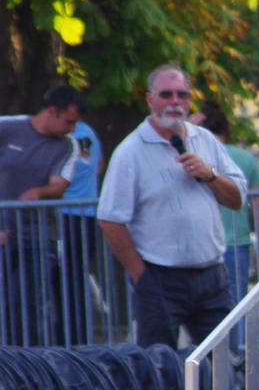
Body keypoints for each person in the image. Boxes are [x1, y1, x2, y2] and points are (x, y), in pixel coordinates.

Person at [97, 64, 248, 349]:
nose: (175, 102)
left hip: (212, 275)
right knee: (158, 369)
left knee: (223, 366)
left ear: (191, 100)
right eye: (166, 94)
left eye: (182, 95)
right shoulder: (131, 151)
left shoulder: (205, 140)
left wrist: (211, 174)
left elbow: (237, 199)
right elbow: (109, 219)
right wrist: (140, 275)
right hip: (160, 277)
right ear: (150, 99)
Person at [0, 85, 85, 344]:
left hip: (37, 238)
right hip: (3, 232)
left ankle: (31, 365)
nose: (72, 129)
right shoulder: (7, 127)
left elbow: (60, 185)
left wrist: (40, 191)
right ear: (51, 111)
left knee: (28, 305)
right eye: (69, 121)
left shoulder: (68, 145)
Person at [192, 104, 259, 341]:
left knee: (201, 310)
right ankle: (236, 364)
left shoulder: (193, 156)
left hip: (200, 244)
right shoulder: (245, 159)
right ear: (227, 127)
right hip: (236, 243)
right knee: (236, 307)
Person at [58, 119, 105, 345]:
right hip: (88, 215)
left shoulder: (61, 134)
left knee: (63, 282)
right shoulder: (90, 131)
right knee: (77, 279)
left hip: (66, 214)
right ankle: (80, 337)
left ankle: (68, 339)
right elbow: (100, 165)